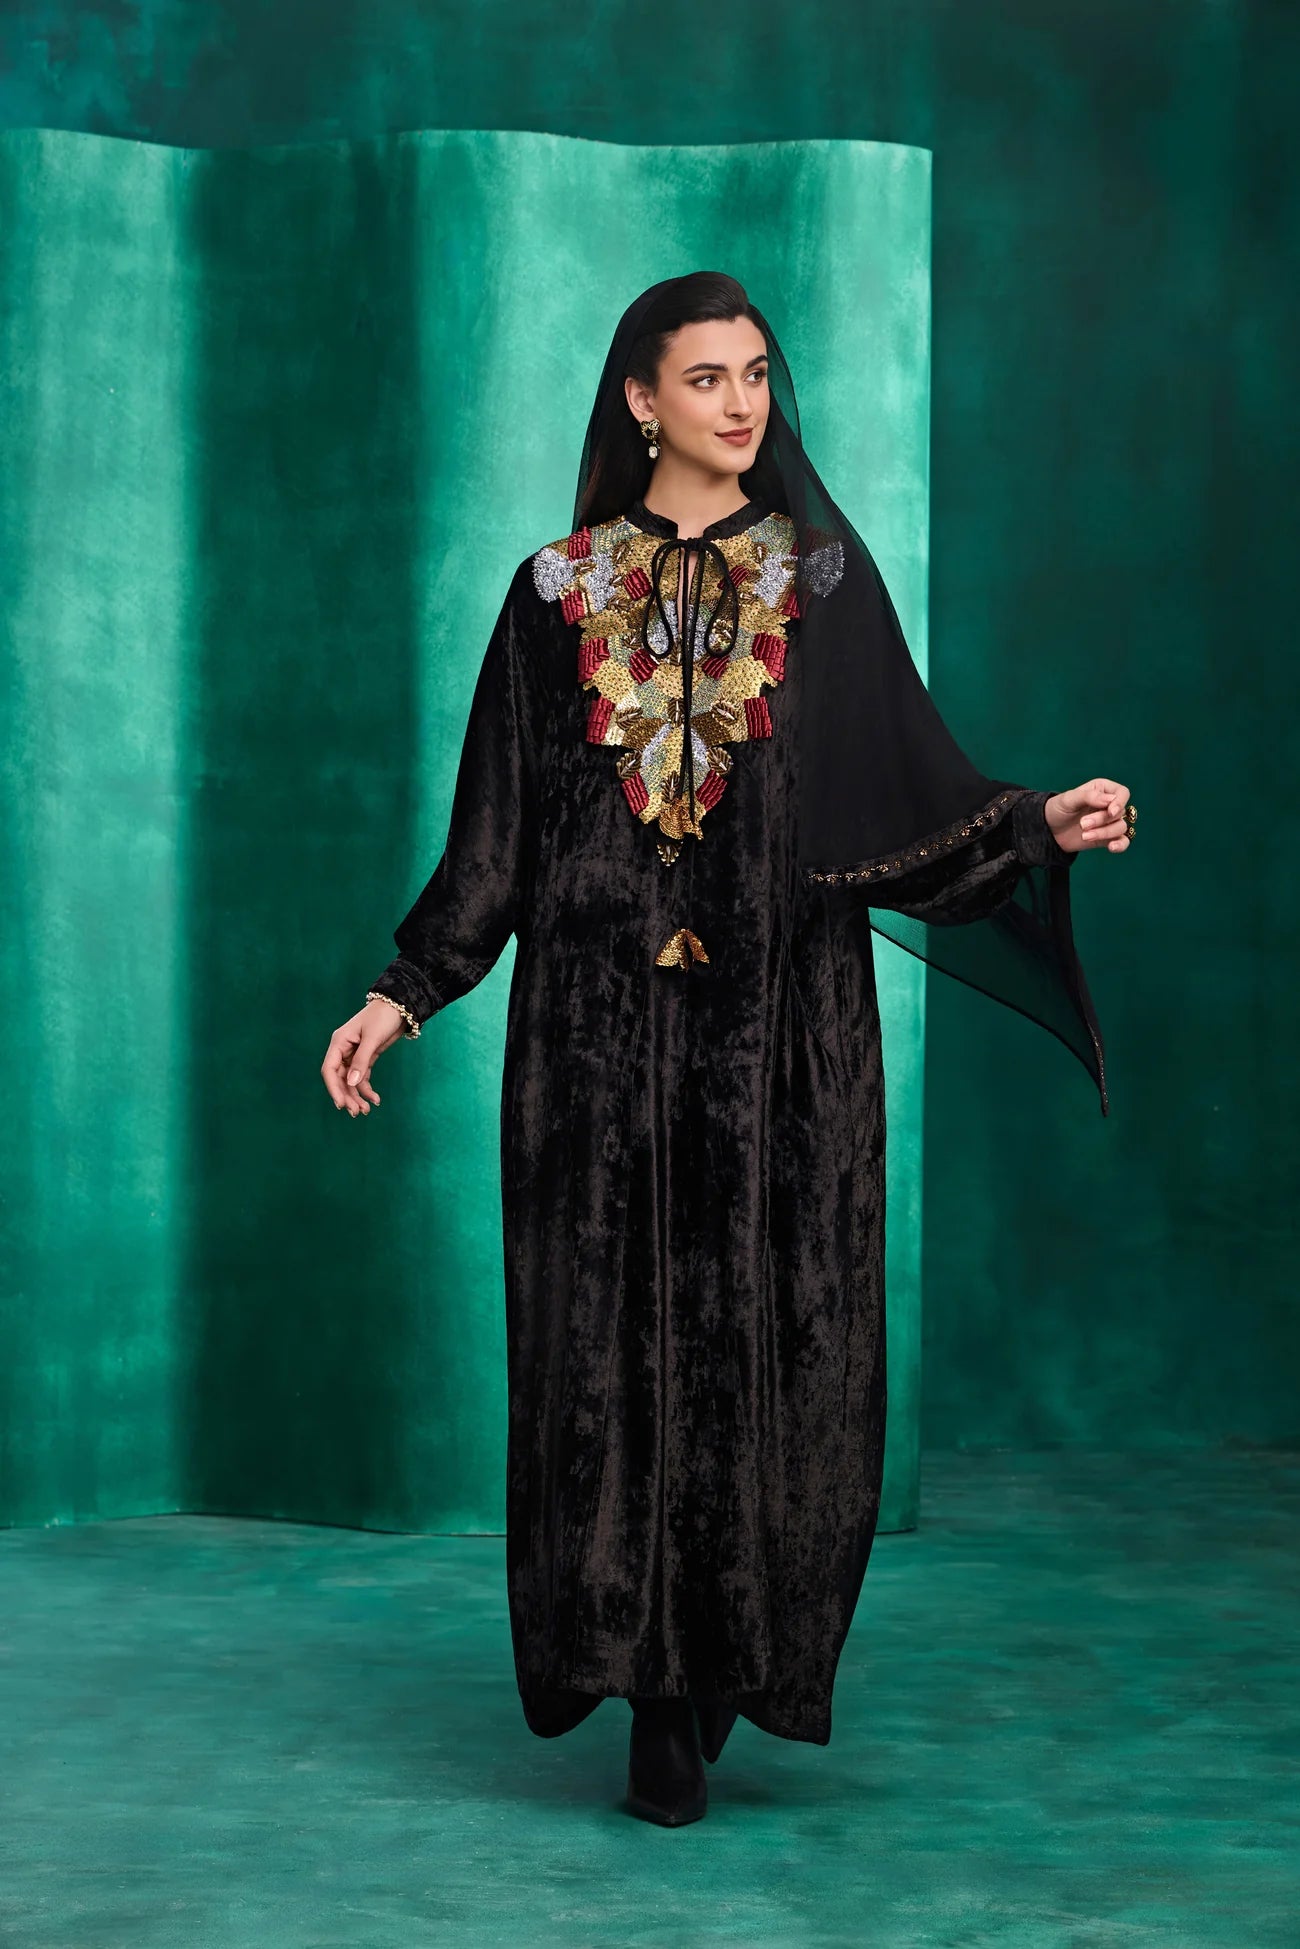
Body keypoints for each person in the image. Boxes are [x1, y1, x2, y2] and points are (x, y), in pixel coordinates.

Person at [321, 272, 1133, 1828]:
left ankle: (722, 1656)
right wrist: (403, 991)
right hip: (594, 1048)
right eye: (706, 379)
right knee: (608, 1357)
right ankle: (646, 1689)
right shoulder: (553, 594)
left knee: (774, 1346)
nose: (742, 403)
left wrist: (1040, 823)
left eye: (757, 374)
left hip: (784, 1047)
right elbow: (495, 837)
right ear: (640, 401)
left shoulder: (822, 585)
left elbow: (911, 805)